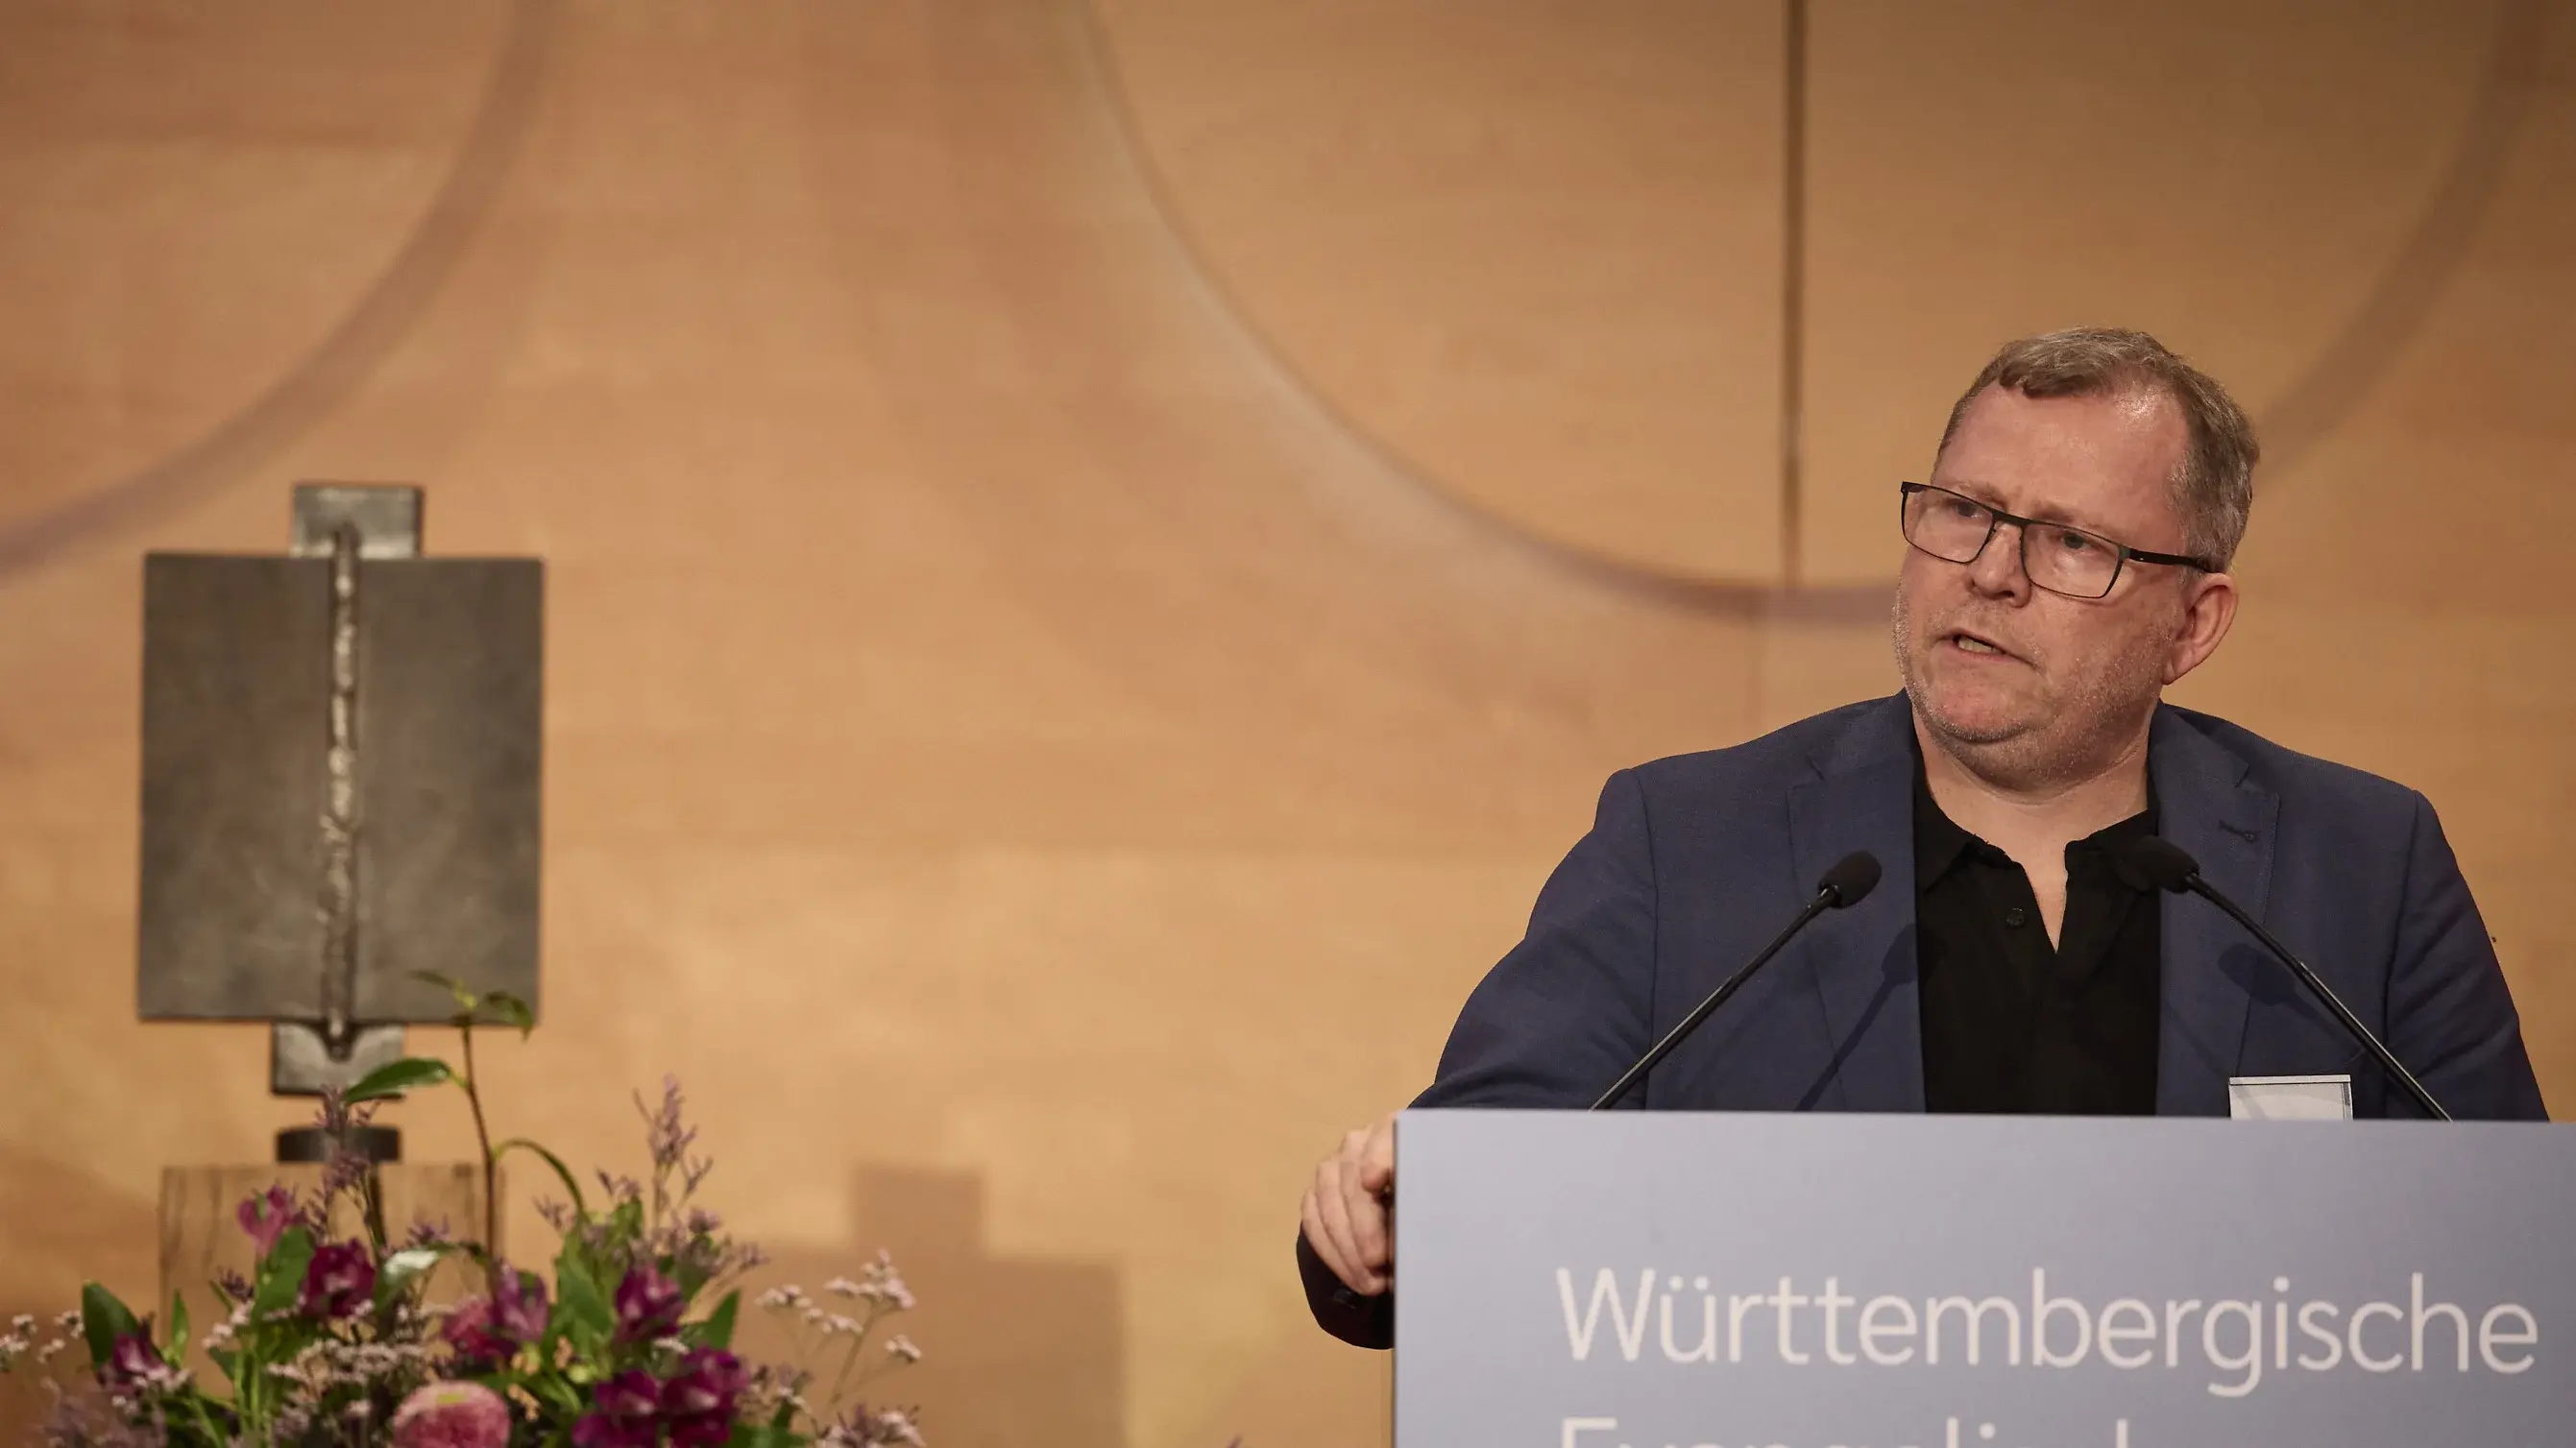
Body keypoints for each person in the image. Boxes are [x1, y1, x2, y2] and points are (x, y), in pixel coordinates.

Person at [1295, 327, 2548, 1349]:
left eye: (2068, 542)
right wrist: (1388, 1217)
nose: (1988, 574)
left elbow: (2510, 1288)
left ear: (2191, 622)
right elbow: (1464, 1205)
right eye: (1962, 511)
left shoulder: (2359, 866)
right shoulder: (1688, 844)